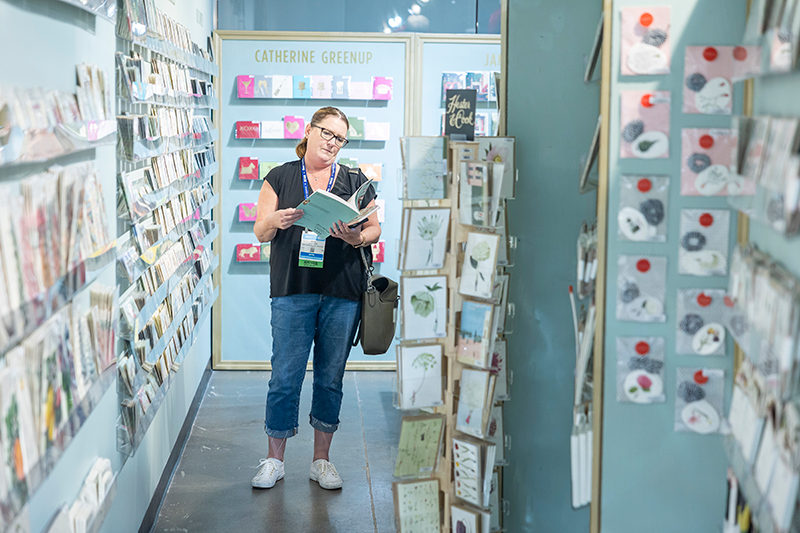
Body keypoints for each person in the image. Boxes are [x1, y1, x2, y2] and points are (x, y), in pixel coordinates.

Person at [251, 106, 380, 490]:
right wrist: (277, 221)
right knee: (285, 377)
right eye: (326, 133)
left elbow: (374, 229)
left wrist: (357, 237)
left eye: (340, 138)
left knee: (330, 378)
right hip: (293, 289)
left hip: (342, 290)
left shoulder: (356, 181)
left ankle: (321, 461)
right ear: (309, 131)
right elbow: (260, 230)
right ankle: (274, 460)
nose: (332, 143)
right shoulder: (280, 177)